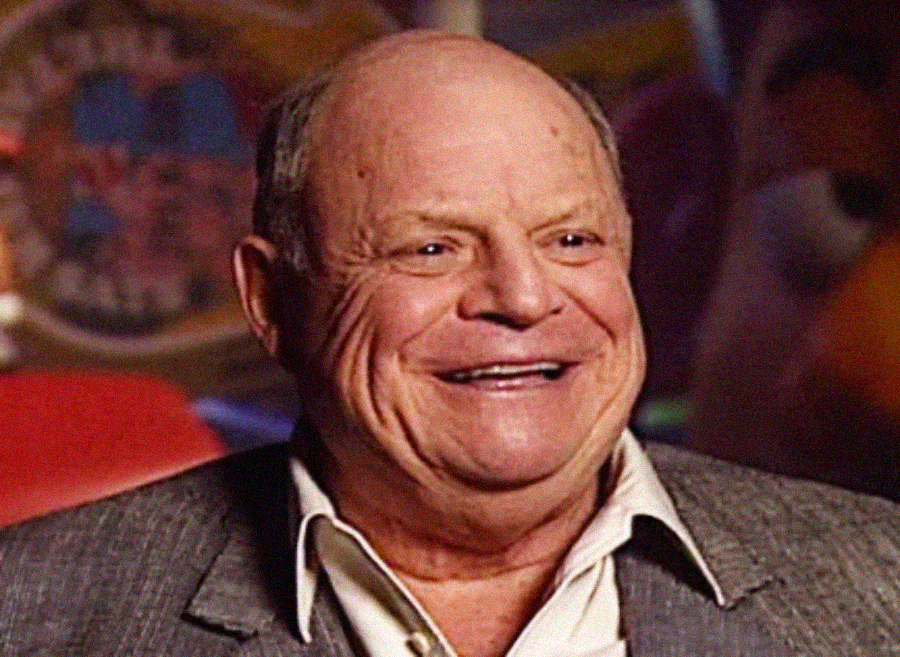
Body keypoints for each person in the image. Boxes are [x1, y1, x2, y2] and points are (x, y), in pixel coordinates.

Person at [2, 30, 899, 657]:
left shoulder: (879, 581)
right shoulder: (32, 614)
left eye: (572, 240)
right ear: (272, 300)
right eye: (430, 247)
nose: (522, 296)